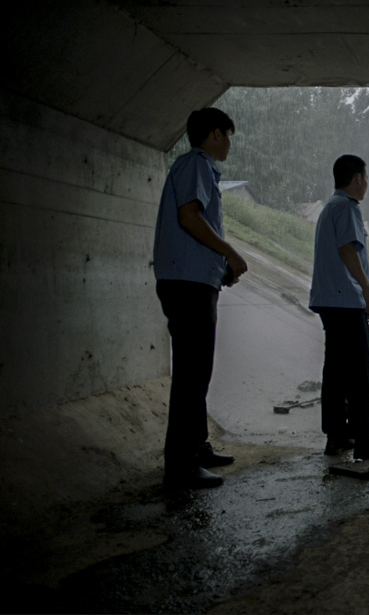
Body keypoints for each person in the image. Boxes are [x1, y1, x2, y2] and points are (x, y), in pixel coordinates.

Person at [153, 107, 249, 490]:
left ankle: (197, 446)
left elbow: (193, 226)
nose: (229, 142)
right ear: (213, 134)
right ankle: (180, 464)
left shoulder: (196, 167)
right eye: (227, 134)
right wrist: (230, 253)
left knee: (197, 368)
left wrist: (218, 268)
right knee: (192, 373)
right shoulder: (196, 163)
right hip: (187, 284)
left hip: (192, 279)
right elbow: (189, 217)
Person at [309, 155, 369, 462]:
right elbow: (348, 250)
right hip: (345, 299)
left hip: (328, 301)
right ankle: (365, 439)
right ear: (358, 179)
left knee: (335, 371)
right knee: (360, 371)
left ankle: (336, 435)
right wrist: (367, 291)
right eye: (367, 177)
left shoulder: (329, 208)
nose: (368, 184)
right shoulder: (348, 208)